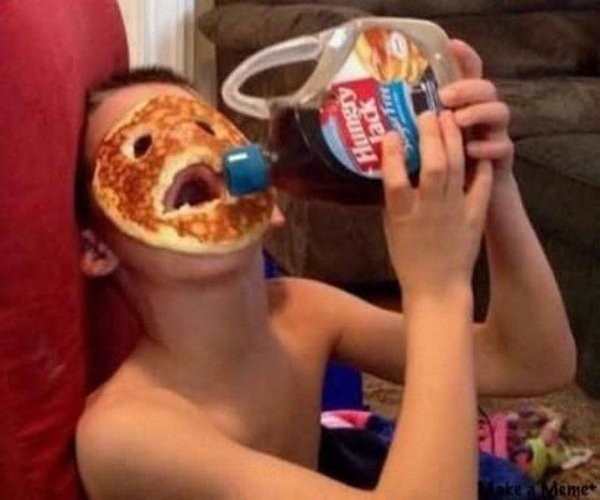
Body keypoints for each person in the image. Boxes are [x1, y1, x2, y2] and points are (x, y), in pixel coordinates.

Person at [75, 40, 576, 500]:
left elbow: (533, 360)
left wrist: (493, 178)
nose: (187, 144)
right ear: (97, 248)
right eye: (141, 145)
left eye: (204, 127)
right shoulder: (125, 433)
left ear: (270, 201)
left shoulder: (303, 311)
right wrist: (437, 291)